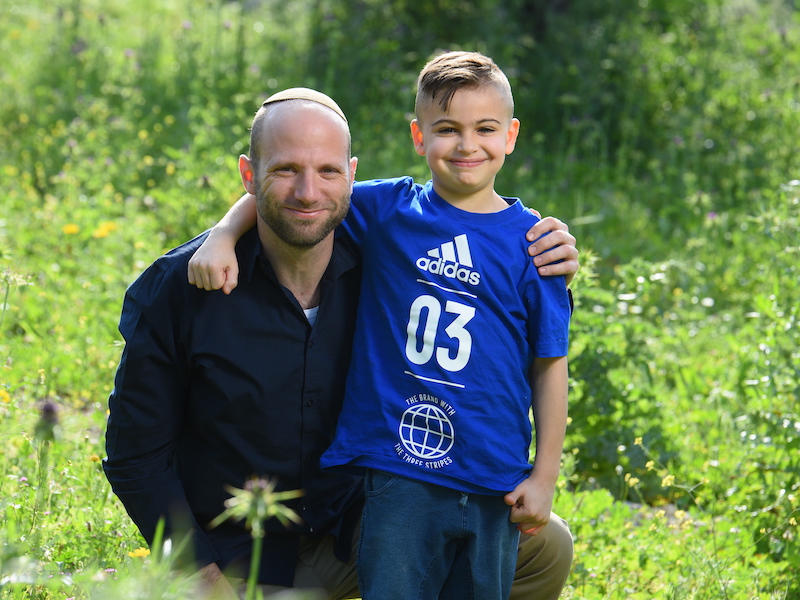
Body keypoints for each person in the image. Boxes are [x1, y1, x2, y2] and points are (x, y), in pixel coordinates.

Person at [106, 92, 577, 599]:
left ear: (351, 177)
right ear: (249, 175)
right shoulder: (187, 287)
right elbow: (136, 458)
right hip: (241, 557)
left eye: (328, 171)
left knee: (545, 548)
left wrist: (541, 253)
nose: (308, 192)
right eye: (286, 169)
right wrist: (201, 577)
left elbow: (487, 297)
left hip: (362, 528)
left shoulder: (389, 261)